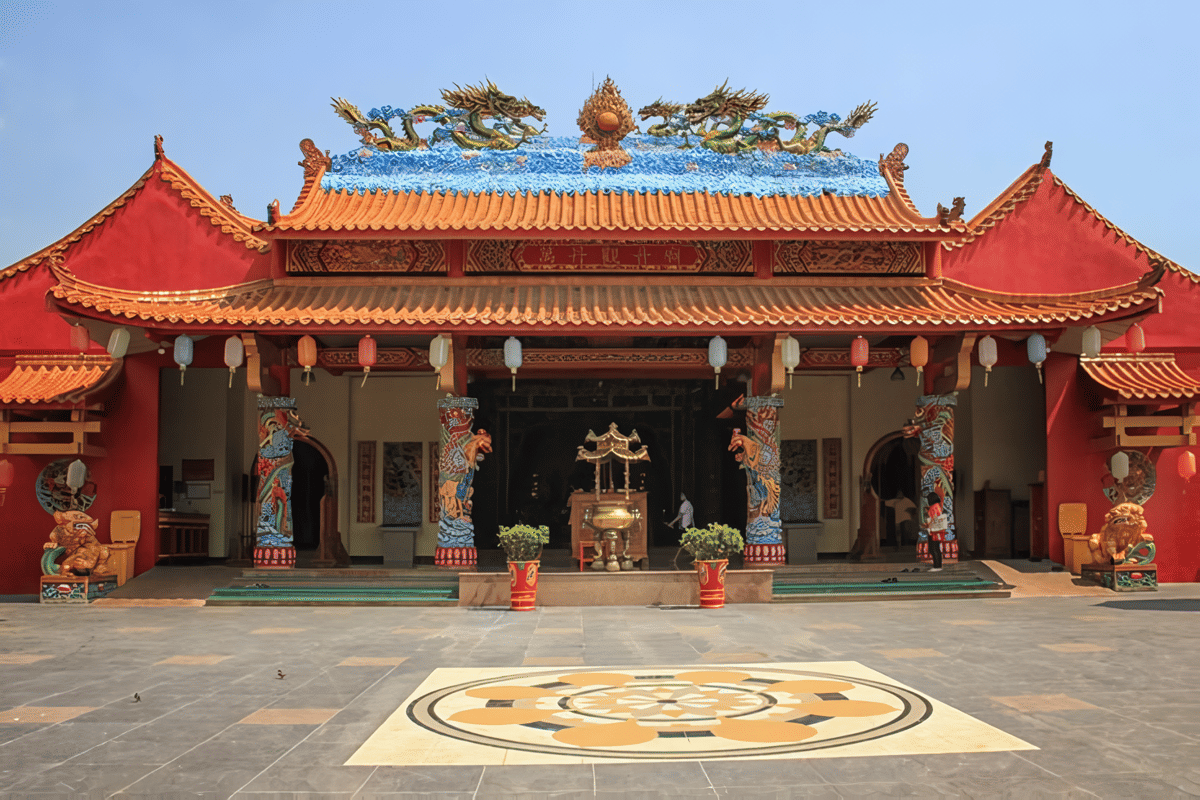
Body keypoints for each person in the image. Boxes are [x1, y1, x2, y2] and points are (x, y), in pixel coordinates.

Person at [925, 490, 946, 571]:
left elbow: (934, 519)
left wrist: (928, 525)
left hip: (935, 531)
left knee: (934, 548)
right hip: (936, 530)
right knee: (935, 548)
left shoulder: (934, 507)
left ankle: (937, 566)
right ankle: (937, 565)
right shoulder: (937, 506)